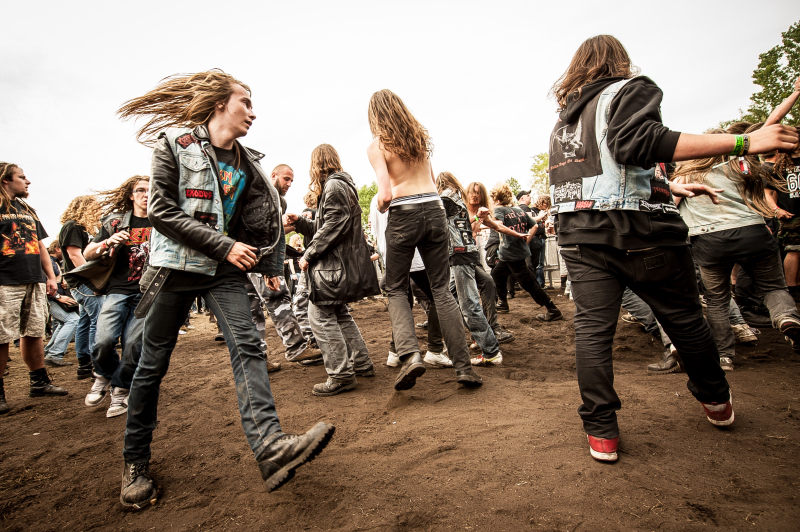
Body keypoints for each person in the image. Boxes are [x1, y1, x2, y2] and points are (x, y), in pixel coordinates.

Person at [547, 35, 798, 462]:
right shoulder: (632, 88)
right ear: (620, 62)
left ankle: (601, 431)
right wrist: (743, 142)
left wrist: (670, 184)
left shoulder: (565, 121)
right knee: (685, 321)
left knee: (592, 332)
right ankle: (716, 400)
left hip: (580, 236)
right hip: (644, 234)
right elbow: (637, 145)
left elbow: (607, 173)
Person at [115, 69, 334, 510]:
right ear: (220, 104)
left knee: (249, 345)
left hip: (222, 271)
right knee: (149, 367)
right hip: (173, 268)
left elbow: (262, 218)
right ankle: (134, 461)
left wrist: (270, 267)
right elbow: (160, 210)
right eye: (245, 102)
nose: (253, 112)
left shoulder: (250, 162)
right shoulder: (174, 146)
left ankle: (270, 448)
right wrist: (225, 245)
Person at [367, 89, 482, 390]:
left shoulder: (377, 145)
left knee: (395, 288)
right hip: (434, 209)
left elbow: (385, 195)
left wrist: (379, 206)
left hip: (404, 213)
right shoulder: (420, 140)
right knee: (442, 290)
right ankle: (464, 368)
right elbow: (431, 180)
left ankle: (410, 356)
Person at [673, 122, 800, 371]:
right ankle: (786, 317)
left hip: (710, 241)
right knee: (773, 286)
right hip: (754, 233)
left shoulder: (687, 174)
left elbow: (672, 206)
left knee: (718, 299)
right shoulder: (744, 170)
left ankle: (724, 356)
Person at [288, 144, 379, 396]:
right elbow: (329, 224)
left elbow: (334, 226)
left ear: (316, 163)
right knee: (339, 313)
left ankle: (341, 375)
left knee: (318, 316)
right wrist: (302, 223)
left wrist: (309, 252)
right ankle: (361, 363)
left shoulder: (334, 186)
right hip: (338, 266)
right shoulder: (341, 184)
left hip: (331, 267)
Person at [81, 175, 152, 417]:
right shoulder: (116, 221)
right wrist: (108, 242)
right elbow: (88, 252)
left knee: (134, 345)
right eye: (141, 190)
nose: (146, 194)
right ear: (131, 195)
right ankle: (103, 374)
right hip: (118, 290)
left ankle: (120, 391)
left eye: (151, 190)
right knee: (103, 341)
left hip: (148, 292)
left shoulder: (163, 220)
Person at [0, 162, 67, 415]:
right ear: (5, 179)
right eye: (21, 177)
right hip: (5, 279)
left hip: (34, 278)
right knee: (2, 335)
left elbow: (40, 246)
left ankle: (39, 382)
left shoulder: (27, 209)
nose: (27, 182)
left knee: (34, 331)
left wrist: (51, 277)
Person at [436, 172, 523, 367]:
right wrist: (518, 233)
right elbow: (472, 228)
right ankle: (452, 345)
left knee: (469, 306)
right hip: (464, 256)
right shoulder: (459, 202)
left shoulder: (444, 200)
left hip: (460, 257)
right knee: (449, 301)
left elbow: (436, 227)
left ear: (439, 184)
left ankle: (491, 351)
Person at [246, 163, 318, 369]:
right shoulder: (261, 194)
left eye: (292, 181)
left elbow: (274, 232)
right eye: (286, 179)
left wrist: (295, 225)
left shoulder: (280, 202)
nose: (289, 184)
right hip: (256, 257)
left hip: (249, 258)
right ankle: (296, 347)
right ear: (273, 175)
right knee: (277, 298)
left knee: (253, 310)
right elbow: (260, 232)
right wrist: (269, 266)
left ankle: (258, 361)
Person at [483, 183, 563, 321]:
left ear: (496, 199)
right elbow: (535, 225)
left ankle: (552, 309)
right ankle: (502, 303)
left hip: (511, 253)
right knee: (497, 274)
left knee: (528, 283)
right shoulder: (518, 210)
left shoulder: (499, 210)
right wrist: (525, 241)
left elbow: (499, 226)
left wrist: (481, 220)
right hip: (511, 254)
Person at [59, 195, 104, 380]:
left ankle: (84, 364)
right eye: (96, 208)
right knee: (97, 321)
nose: (99, 212)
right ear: (85, 208)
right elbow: (74, 255)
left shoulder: (77, 227)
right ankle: (97, 364)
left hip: (80, 283)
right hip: (83, 282)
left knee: (85, 321)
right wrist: (93, 278)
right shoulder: (73, 226)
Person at [43, 242, 79, 367]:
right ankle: (54, 354)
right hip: (51, 299)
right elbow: (44, 283)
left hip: (52, 298)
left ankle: (49, 351)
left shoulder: (53, 262)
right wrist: (58, 296)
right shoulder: (50, 263)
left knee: (64, 322)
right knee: (73, 320)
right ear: (57, 249)